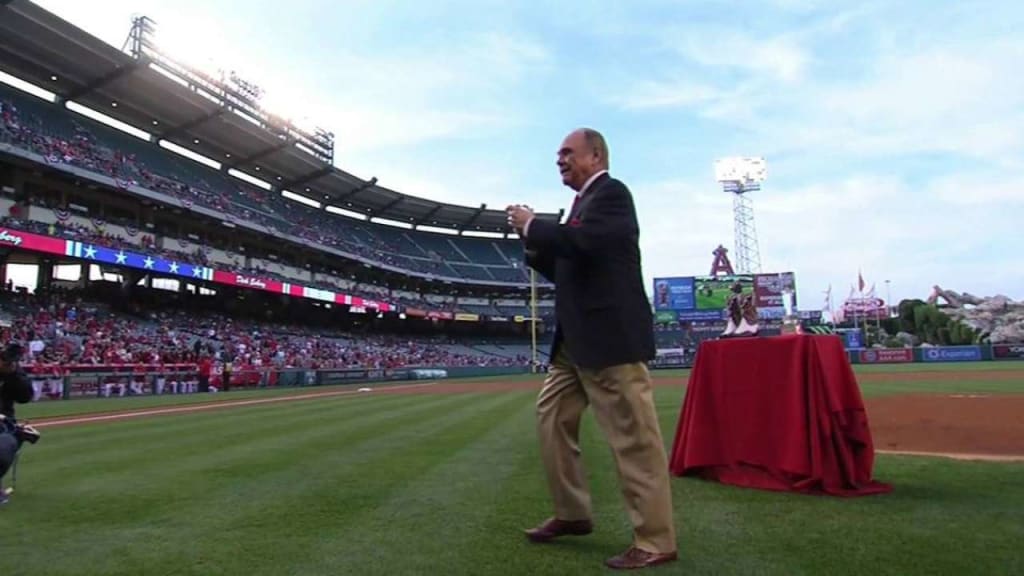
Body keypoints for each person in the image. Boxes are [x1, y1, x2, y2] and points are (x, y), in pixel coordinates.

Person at [506, 128, 678, 570]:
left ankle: (656, 540)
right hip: (576, 341)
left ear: (595, 155)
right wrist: (533, 243)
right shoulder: (582, 204)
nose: (559, 158)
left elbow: (585, 243)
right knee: (551, 419)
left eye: (567, 152)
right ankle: (573, 513)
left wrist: (533, 224)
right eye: (558, 153)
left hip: (610, 338)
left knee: (634, 439)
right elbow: (569, 263)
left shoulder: (612, 193)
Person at [0, 343, 37, 505]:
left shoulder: (13, 371)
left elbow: (25, 397)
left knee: (5, 446)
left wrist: (12, 374)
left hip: (3, 421)